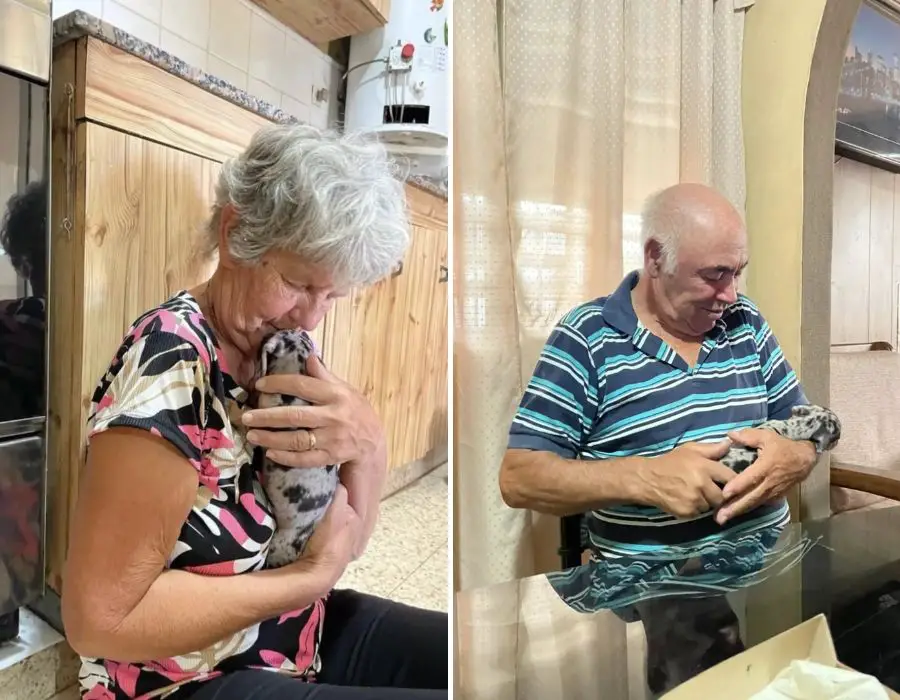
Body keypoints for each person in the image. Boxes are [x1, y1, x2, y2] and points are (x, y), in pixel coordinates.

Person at [61, 124, 447, 700]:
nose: (313, 317)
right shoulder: (171, 364)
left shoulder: (282, 350)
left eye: (332, 295)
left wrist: (369, 441)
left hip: (294, 639)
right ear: (237, 232)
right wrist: (305, 581)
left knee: (483, 659)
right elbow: (100, 620)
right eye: (297, 283)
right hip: (183, 682)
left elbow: (347, 540)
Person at [500, 181, 823, 594]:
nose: (731, 293)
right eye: (714, 275)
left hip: (767, 571)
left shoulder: (746, 321)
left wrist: (799, 453)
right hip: (648, 590)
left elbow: (804, 420)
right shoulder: (587, 337)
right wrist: (643, 477)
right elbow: (518, 478)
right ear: (655, 258)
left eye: (737, 272)